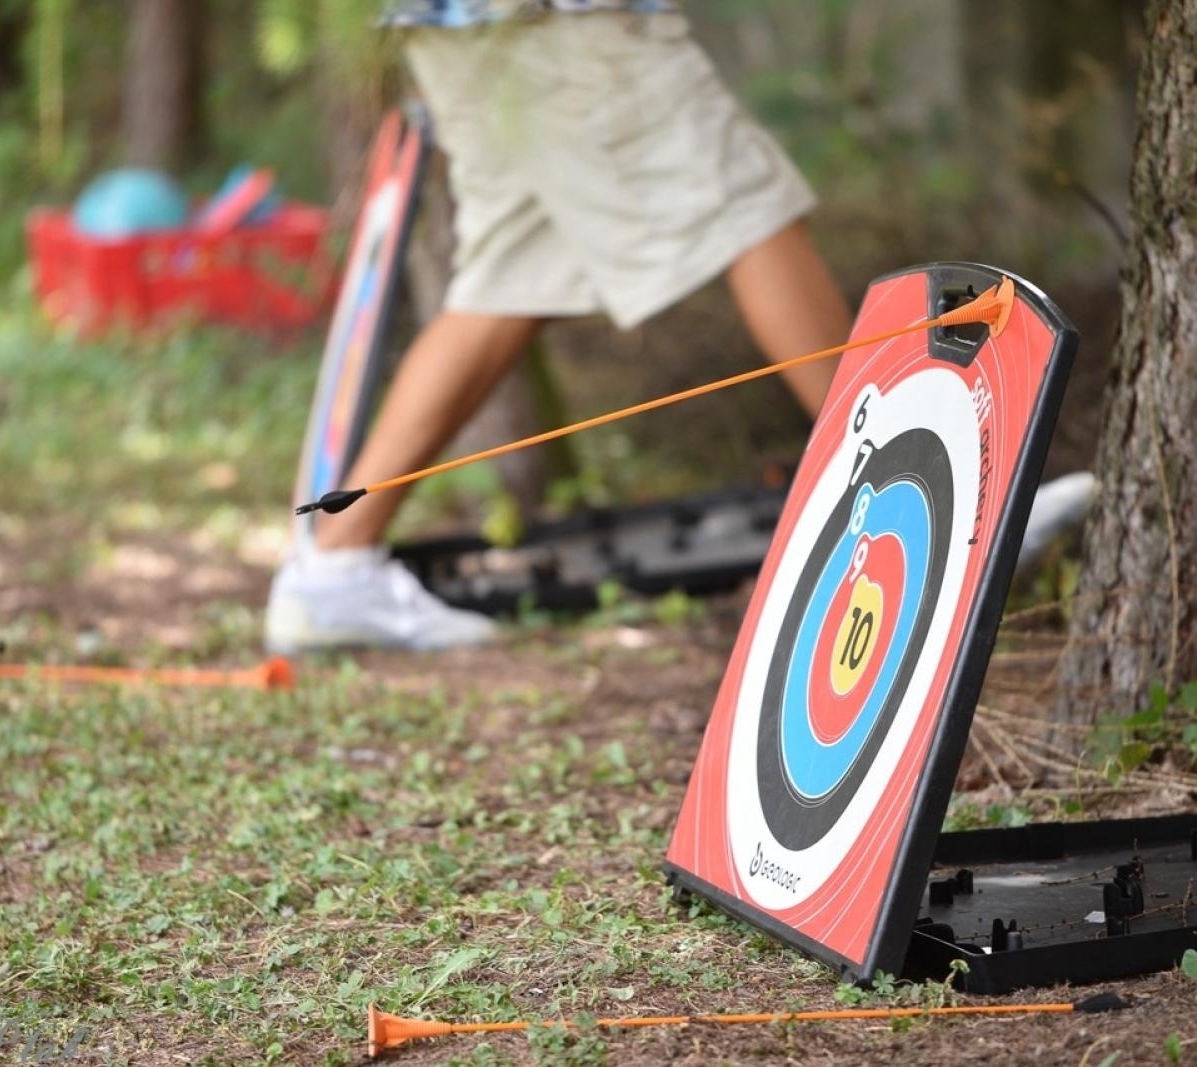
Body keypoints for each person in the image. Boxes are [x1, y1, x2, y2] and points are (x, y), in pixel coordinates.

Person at [265, 0, 856, 654]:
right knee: (750, 208)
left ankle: (334, 569)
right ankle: (891, 477)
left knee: (509, 278)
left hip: (457, 21)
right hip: (560, 19)